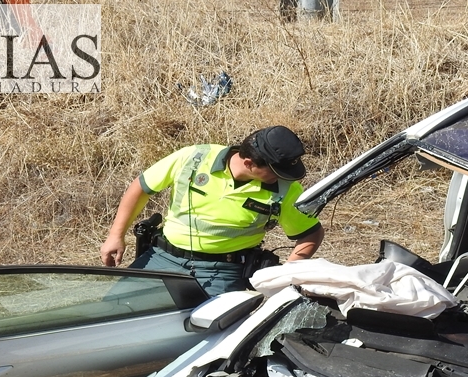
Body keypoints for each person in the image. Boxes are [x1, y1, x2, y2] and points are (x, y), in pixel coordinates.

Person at [100, 126, 324, 296]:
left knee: (211, 340)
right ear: (249, 163)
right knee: (111, 316)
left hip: (223, 271)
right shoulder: (194, 158)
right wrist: (115, 236)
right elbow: (141, 187)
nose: (283, 177)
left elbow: (311, 234)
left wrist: (285, 274)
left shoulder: (286, 189)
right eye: (276, 171)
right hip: (162, 258)